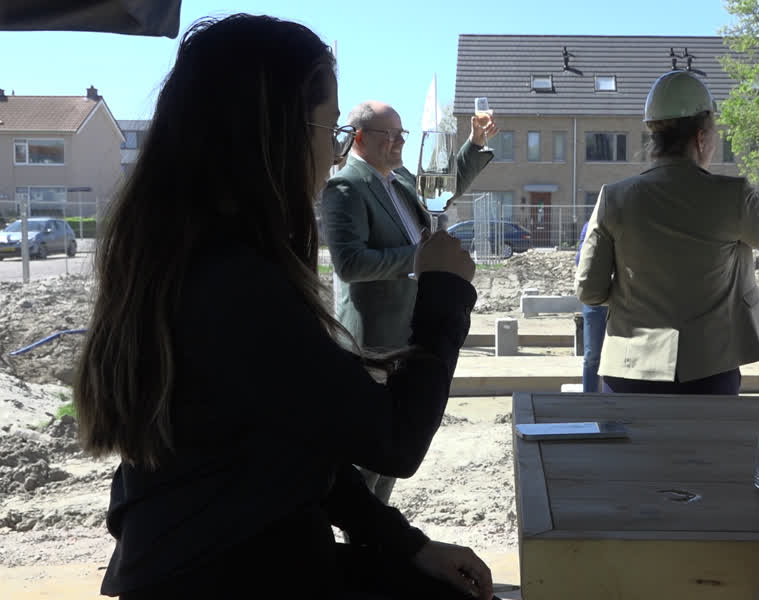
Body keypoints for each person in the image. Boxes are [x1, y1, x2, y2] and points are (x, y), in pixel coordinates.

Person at [73, 14, 494, 600]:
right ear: (274, 133)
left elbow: (298, 448)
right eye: (330, 129)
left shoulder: (188, 258)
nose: (334, 154)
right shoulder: (234, 284)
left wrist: (405, 544)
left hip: (207, 562)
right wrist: (443, 294)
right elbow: (395, 440)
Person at [575, 70, 759, 396]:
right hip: (709, 369)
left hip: (630, 371)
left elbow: (589, 290)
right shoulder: (731, 196)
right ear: (701, 138)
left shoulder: (614, 197)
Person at [322, 102, 495, 502]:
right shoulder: (346, 187)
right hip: (373, 344)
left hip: (408, 335)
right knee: (367, 458)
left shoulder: (398, 178)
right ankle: (360, 531)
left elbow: (443, 189)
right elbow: (350, 263)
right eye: (390, 135)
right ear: (359, 138)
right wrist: (420, 258)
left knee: (396, 450)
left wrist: (474, 143)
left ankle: (377, 526)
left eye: (402, 134)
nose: (400, 142)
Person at [576, 218, 607, 392]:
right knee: (592, 356)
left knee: (618, 357)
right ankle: (589, 398)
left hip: (618, 300)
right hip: (595, 300)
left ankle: (614, 399)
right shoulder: (590, 227)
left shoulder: (626, 226)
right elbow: (580, 261)